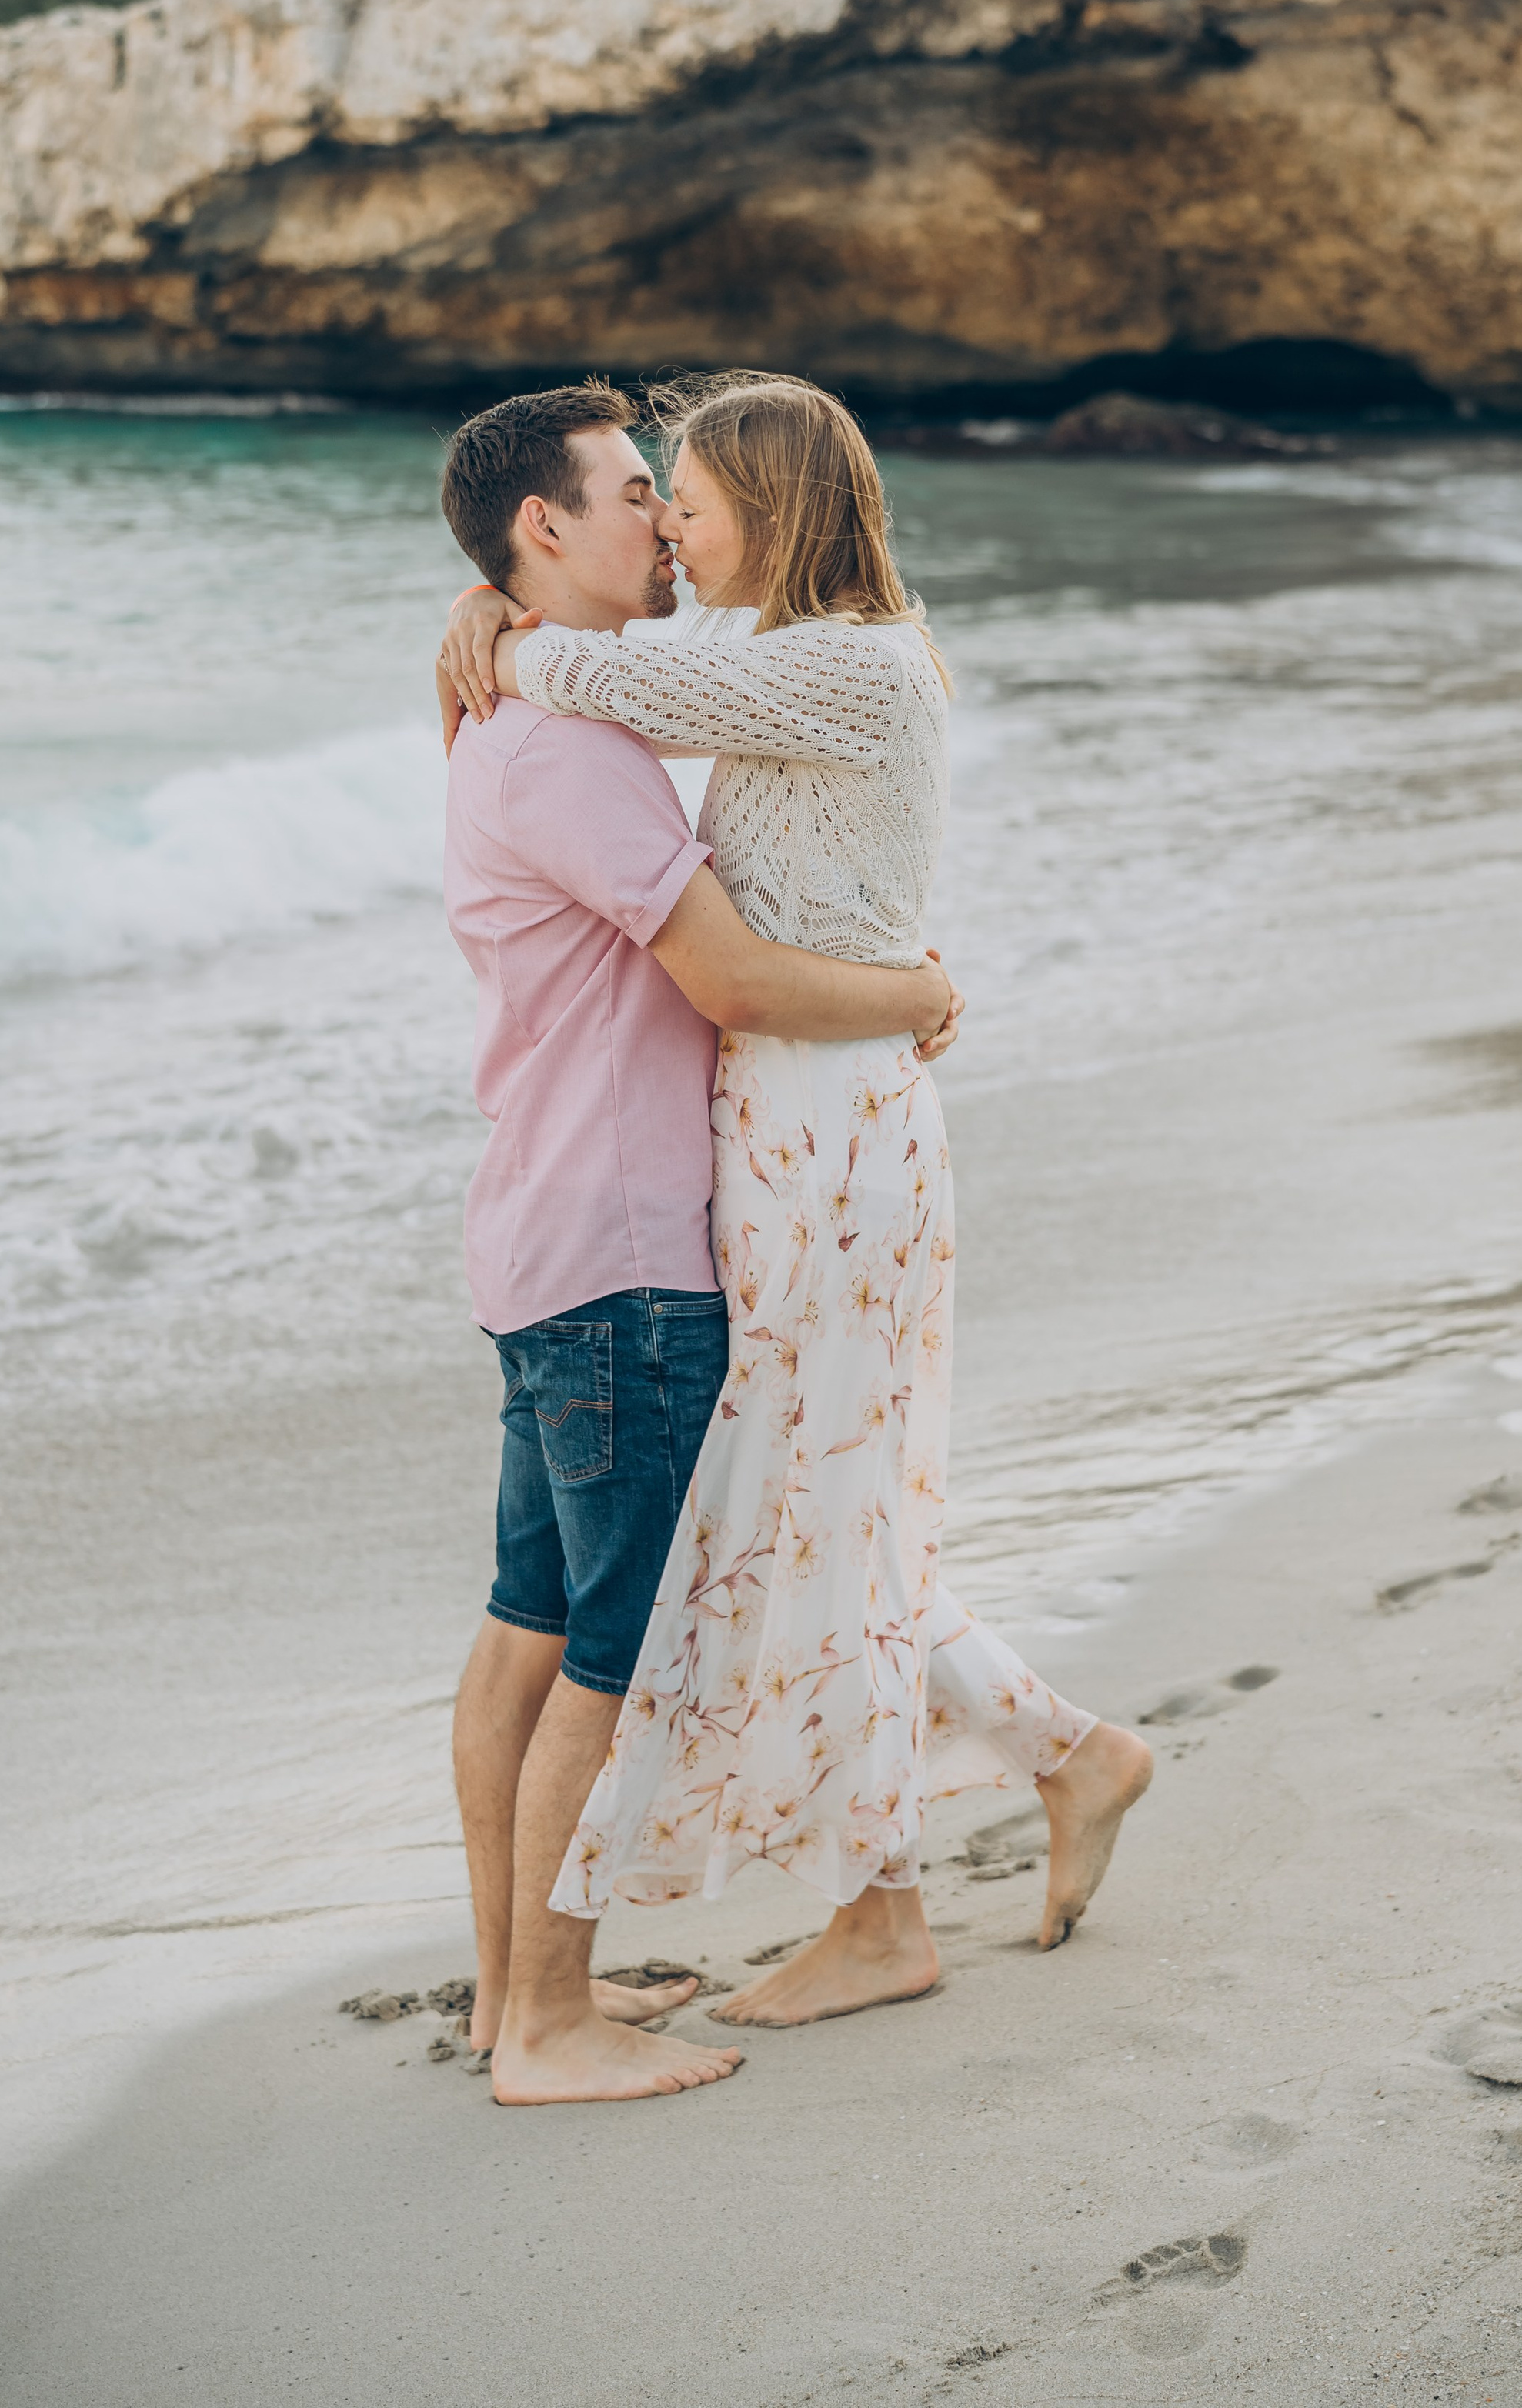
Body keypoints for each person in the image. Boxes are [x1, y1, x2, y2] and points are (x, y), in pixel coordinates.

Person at [439, 370, 1152, 2049]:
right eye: (649, 498)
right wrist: (495, 611)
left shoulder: (837, 664)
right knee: (815, 1509)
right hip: (788, 1122)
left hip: (825, 1128)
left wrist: (495, 630)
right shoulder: (774, 667)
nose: (670, 528)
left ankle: (887, 1911)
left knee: (816, 1513)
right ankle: (1056, 1763)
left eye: (684, 499)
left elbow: (600, 680)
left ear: (769, 508)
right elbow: (620, 692)